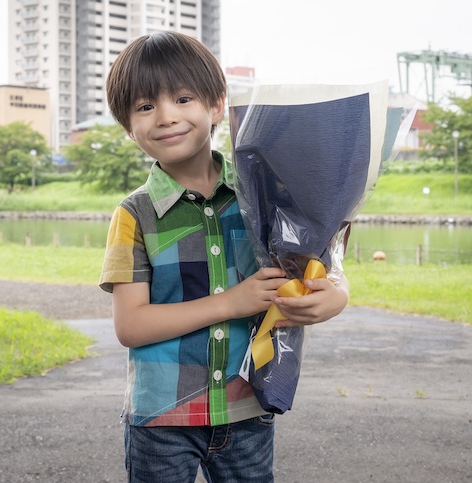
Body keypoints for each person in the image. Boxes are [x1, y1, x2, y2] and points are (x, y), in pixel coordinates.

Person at [99, 31, 349, 483]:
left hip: (248, 406)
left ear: (217, 105)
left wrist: (335, 296)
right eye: (145, 106)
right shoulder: (134, 215)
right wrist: (233, 303)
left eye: (182, 98)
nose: (166, 117)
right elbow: (130, 326)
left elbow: (319, 268)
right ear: (128, 126)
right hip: (161, 418)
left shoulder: (265, 195)